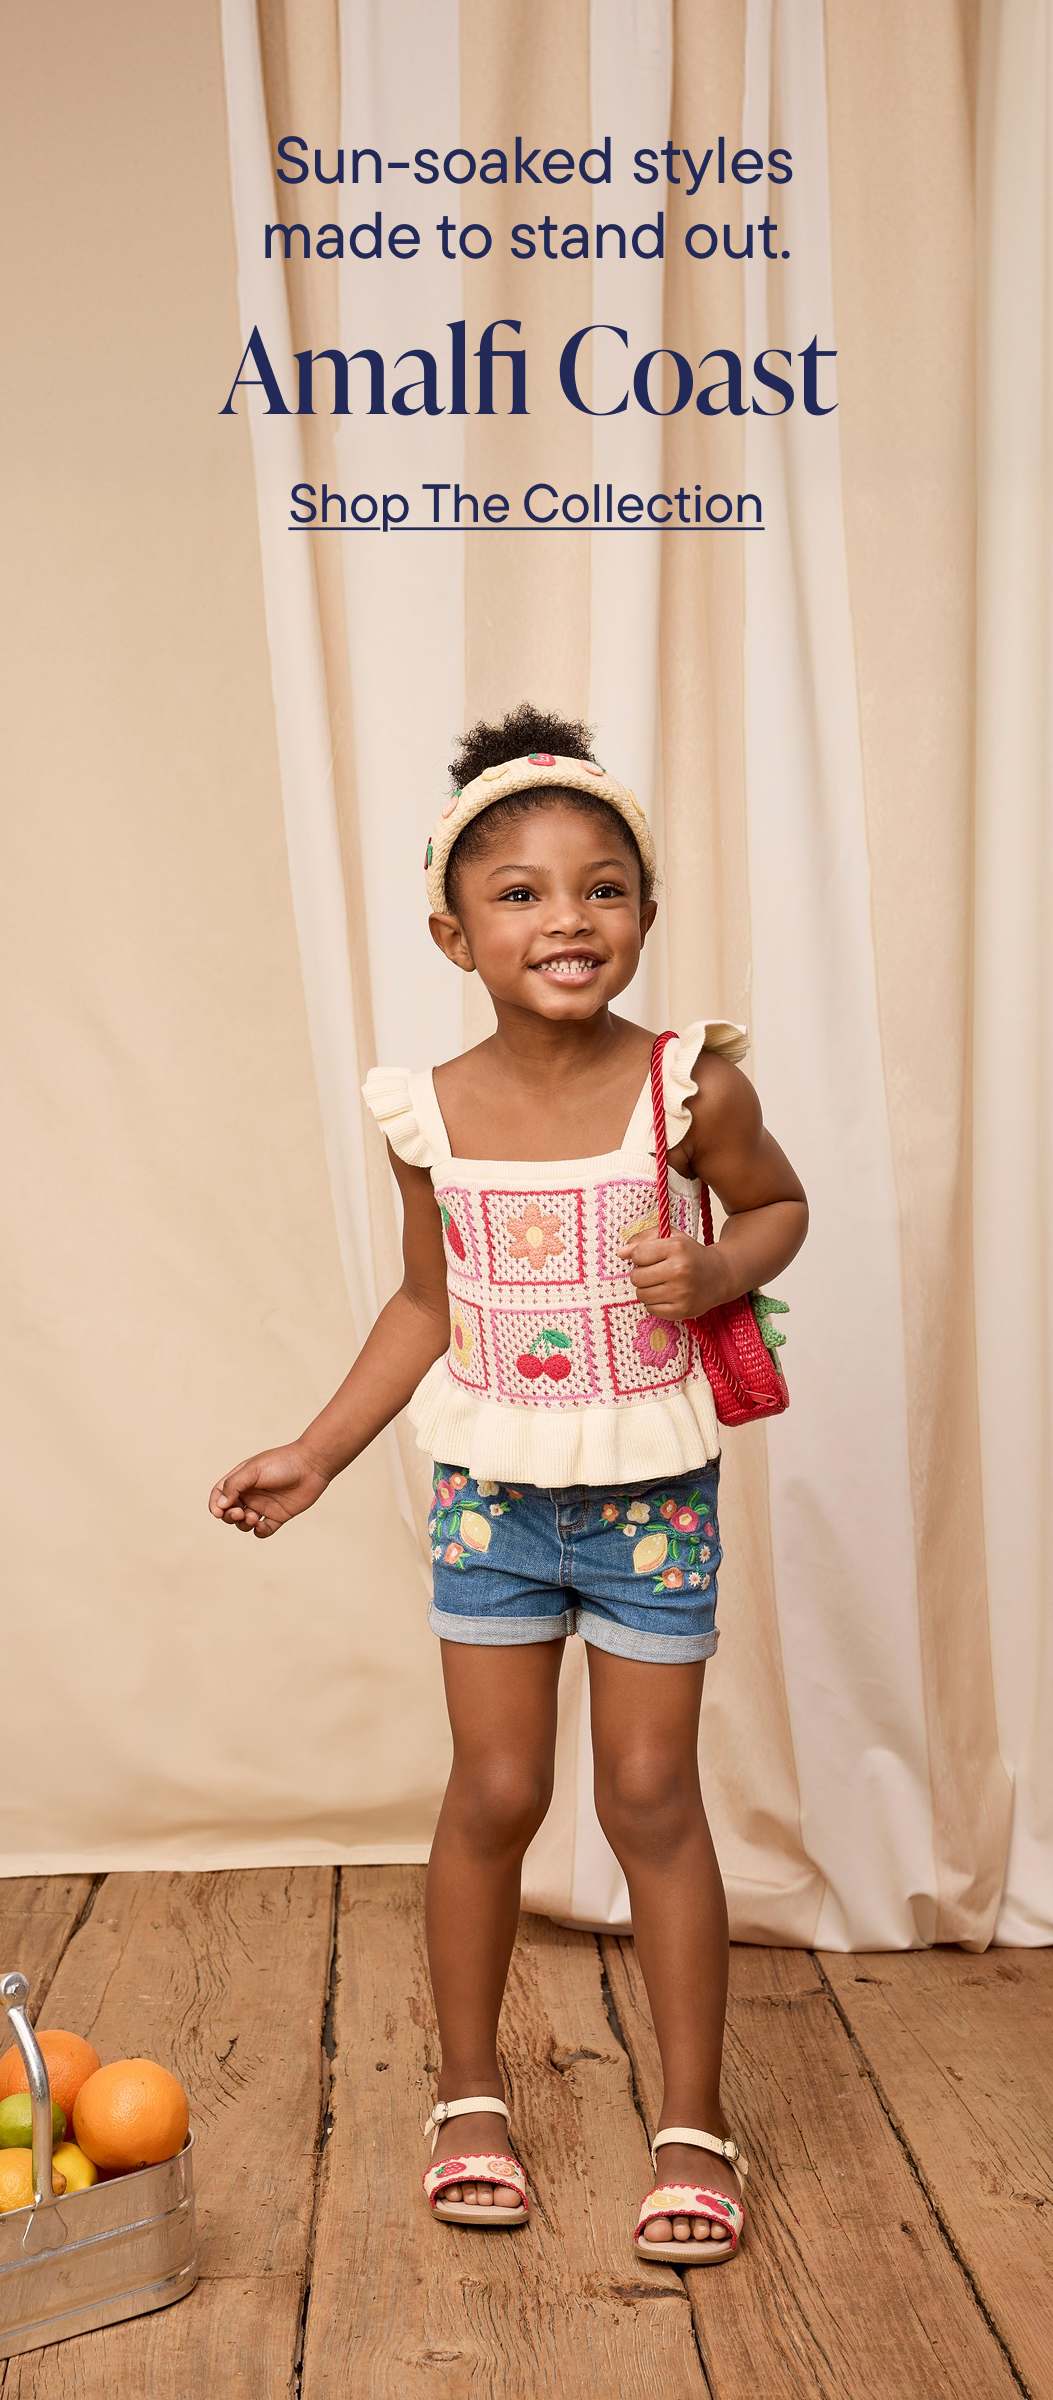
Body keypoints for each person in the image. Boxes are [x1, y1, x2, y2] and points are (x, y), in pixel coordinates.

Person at [208, 701, 808, 2264]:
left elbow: (779, 1206)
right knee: (492, 1792)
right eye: (522, 893)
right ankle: (465, 2094)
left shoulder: (690, 1090)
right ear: (452, 930)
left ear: (647, 914)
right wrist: (318, 1451)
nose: (567, 919)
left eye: (602, 887)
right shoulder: (428, 1114)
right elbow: (428, 1303)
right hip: (491, 1497)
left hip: (650, 1495)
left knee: (649, 1797)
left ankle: (690, 2121)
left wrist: (717, 1264)